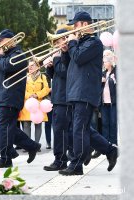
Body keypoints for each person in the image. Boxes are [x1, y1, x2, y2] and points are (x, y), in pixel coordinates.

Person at [58, 11, 118, 175]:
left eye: (75, 25)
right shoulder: (80, 42)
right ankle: (110, 150)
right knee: (81, 128)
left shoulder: (94, 42)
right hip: (75, 90)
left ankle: (76, 165)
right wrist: (64, 50)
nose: (73, 29)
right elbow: (68, 63)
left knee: (79, 129)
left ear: (84, 24)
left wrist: (71, 44)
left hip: (84, 91)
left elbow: (78, 57)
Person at [0, 29, 41, 168]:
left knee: (3, 128)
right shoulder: (5, 55)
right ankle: (32, 146)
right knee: (9, 128)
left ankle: (5, 157)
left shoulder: (18, 54)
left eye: (1, 40)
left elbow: (7, 66)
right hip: (2, 95)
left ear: (10, 41)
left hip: (10, 97)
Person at [43, 28, 73, 171]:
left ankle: (60, 159)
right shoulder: (61, 53)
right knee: (61, 130)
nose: (55, 43)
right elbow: (55, 75)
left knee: (60, 130)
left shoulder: (68, 53)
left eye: (58, 40)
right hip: (58, 96)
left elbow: (64, 71)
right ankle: (70, 156)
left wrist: (54, 59)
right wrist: (49, 67)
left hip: (65, 97)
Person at [18, 60, 50, 145]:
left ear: (38, 67)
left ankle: (36, 144)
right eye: (29, 65)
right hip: (27, 104)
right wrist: (29, 95)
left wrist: (37, 95)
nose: (30, 67)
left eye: (32, 65)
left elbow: (46, 89)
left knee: (38, 124)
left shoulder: (43, 77)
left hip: (38, 104)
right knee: (26, 124)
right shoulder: (25, 77)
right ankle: (28, 145)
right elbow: (21, 90)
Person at [101, 50, 117, 145]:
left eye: (106, 61)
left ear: (110, 62)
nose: (104, 63)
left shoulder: (116, 72)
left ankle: (114, 142)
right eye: (103, 61)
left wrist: (113, 80)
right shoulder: (103, 73)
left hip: (113, 102)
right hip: (104, 103)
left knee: (113, 123)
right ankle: (105, 143)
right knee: (105, 123)